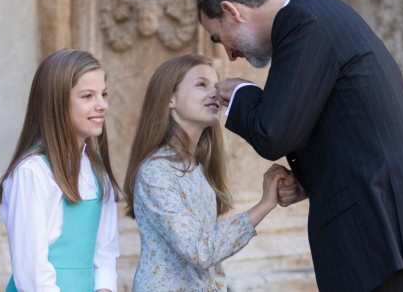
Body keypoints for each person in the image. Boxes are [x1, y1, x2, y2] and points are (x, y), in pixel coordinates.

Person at [197, 0, 403, 292]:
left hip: (386, 245)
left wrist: (242, 93)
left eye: (217, 37)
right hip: (400, 241)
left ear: (232, 10)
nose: (230, 55)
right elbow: (353, 129)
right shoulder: (321, 15)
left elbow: (274, 134)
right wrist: (308, 180)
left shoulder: (303, 21)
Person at [123, 54, 291, 291]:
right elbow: (201, 251)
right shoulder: (156, 172)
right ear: (170, 98)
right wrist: (265, 204)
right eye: (201, 84)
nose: (215, 93)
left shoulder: (197, 168)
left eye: (216, 85)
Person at [0, 49, 120, 292]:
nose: (101, 105)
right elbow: (31, 269)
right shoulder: (33, 172)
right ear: (57, 102)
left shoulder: (98, 174)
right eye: (87, 96)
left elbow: (105, 253)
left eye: (103, 95)